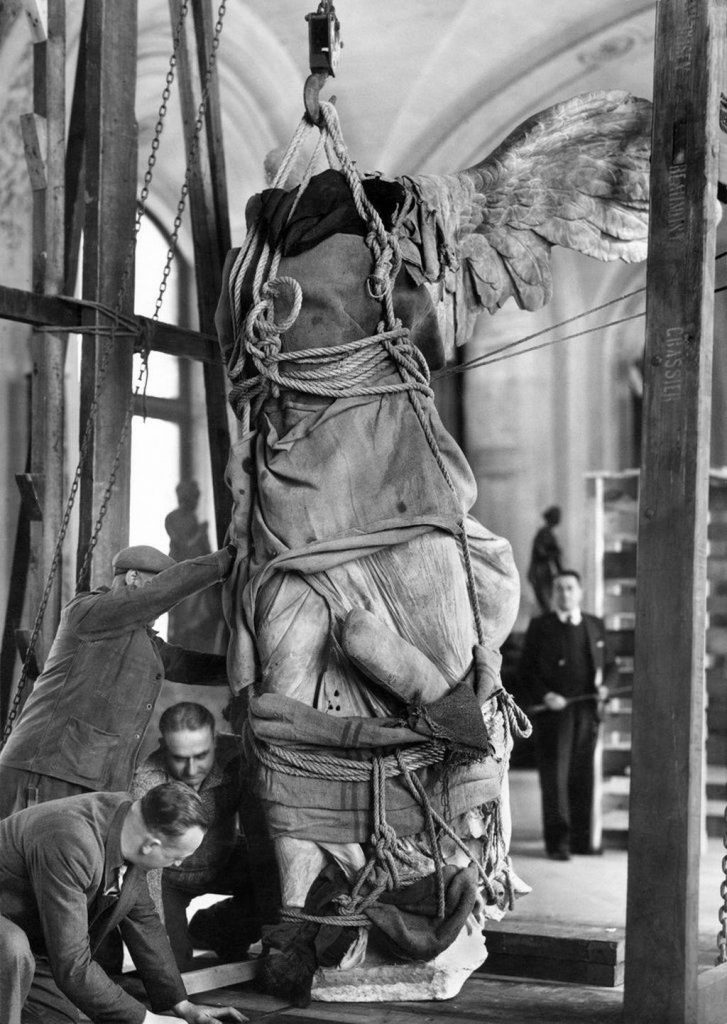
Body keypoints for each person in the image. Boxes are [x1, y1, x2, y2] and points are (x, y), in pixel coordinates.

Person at [0, 544, 235, 819]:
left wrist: (245, 667)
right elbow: (153, 597)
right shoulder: (87, 612)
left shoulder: (142, 639)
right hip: (45, 770)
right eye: (159, 590)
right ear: (133, 577)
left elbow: (185, 665)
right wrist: (224, 560)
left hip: (82, 776)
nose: (163, 607)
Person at [0, 781, 247, 1024]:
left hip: (32, 943)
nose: (178, 865)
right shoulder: (72, 839)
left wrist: (182, 1006)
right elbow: (72, 964)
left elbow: (144, 921)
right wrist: (149, 1021)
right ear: (151, 845)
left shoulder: (131, 822)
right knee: (12, 946)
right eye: (176, 857)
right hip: (10, 941)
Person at [131, 702, 259, 969]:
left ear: (216, 741)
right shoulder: (146, 783)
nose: (191, 770)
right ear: (163, 746)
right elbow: (147, 873)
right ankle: (182, 943)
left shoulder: (239, 756)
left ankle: (212, 927)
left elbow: (260, 835)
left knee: (275, 884)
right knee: (171, 966)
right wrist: (159, 936)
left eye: (201, 756)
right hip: (170, 878)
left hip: (225, 862)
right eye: (179, 758)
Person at [518, 569, 614, 860]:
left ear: (580, 592)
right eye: (559, 588)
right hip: (553, 714)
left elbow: (611, 666)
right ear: (553, 594)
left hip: (586, 712)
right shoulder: (540, 626)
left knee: (583, 775)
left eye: (570, 588)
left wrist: (606, 689)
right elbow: (525, 671)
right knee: (555, 779)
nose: (565, 593)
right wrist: (546, 695)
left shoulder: (594, 625)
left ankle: (581, 842)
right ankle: (558, 844)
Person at [526, 505, 564, 613]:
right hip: (540, 573)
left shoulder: (548, 533)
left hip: (545, 573)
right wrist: (555, 553)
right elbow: (541, 552)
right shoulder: (544, 533)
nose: (558, 519)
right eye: (557, 516)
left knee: (547, 603)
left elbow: (554, 557)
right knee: (545, 604)